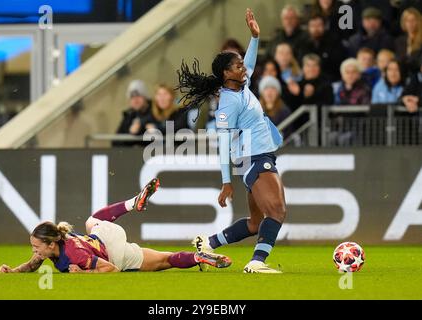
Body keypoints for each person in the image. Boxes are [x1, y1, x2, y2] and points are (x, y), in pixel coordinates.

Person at [176, 9, 286, 274]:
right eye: (237, 66)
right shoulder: (228, 103)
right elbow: (223, 144)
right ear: (227, 74)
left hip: (258, 157)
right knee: (277, 212)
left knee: (255, 222)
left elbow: (248, 61)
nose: (243, 67)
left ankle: (208, 244)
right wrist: (226, 182)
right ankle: (257, 262)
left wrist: (255, 37)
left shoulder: (240, 86)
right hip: (255, 159)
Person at [0, 178, 231, 273]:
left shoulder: (73, 253)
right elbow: (33, 263)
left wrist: (83, 273)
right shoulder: (55, 242)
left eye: (36, 246)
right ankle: (199, 257)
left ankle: (134, 203)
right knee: (164, 259)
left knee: (92, 222)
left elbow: (110, 269)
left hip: (112, 252)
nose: (34, 251)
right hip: (107, 238)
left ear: (50, 244)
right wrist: (13, 272)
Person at [299, 13, 346, 81]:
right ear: (308, 28)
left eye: (319, 25)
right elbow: (301, 64)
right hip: (308, 80)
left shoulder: (334, 42)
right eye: (313, 26)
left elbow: (337, 65)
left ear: (324, 27)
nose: (316, 29)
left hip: (330, 80)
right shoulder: (303, 43)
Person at [113, 80, 152, 147]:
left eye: (138, 96)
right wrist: (130, 134)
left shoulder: (156, 113)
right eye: (132, 97)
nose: (135, 100)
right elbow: (115, 142)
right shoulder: (129, 115)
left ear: (145, 97)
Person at [395, 8, 422, 76]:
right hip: (403, 73)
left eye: (413, 20)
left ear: (418, 21)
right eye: (407, 20)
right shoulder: (400, 41)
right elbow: (399, 59)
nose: (410, 23)